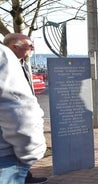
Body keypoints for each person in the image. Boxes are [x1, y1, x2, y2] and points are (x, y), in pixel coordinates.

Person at [3, 33, 49, 184]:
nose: (33, 48)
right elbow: (17, 110)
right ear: (14, 47)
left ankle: (28, 177)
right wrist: (32, 153)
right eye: (29, 45)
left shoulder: (22, 63)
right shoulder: (5, 60)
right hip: (7, 155)